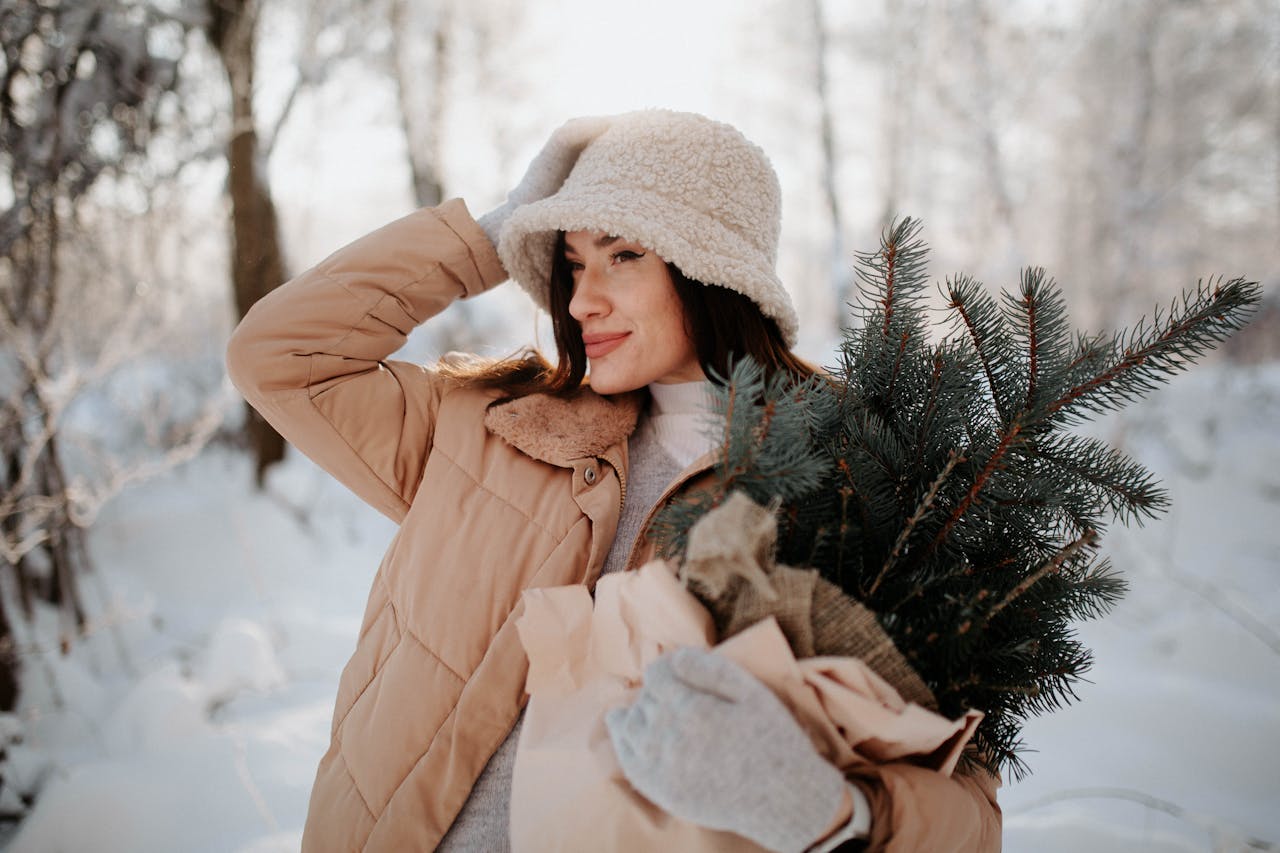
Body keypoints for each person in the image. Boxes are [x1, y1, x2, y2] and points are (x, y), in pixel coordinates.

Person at [226, 109, 1001, 852]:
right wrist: (498, 233)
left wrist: (834, 811)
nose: (580, 299)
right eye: (570, 262)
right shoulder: (487, 430)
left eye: (622, 255)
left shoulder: (852, 482)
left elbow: (970, 809)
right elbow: (276, 355)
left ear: (712, 268)